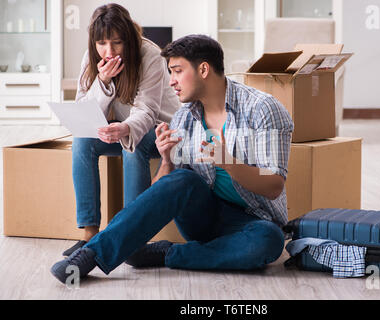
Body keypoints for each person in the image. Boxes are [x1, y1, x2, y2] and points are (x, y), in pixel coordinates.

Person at [51, 34, 294, 284]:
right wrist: (166, 160)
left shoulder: (263, 109)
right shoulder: (184, 117)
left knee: (269, 242)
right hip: (203, 218)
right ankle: (89, 254)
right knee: (182, 179)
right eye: (170, 72)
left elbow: (274, 184)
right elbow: (163, 194)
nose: (171, 82)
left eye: (177, 71)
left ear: (203, 69)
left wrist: (228, 162)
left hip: (253, 222)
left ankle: (167, 254)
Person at [63, 3, 180, 256]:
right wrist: (102, 82)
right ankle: (90, 235)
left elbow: (147, 111)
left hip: (159, 128)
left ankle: (131, 236)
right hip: (119, 127)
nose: (109, 51)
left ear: (128, 38)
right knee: (82, 140)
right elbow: (83, 110)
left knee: (131, 143)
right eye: (101, 43)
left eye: (117, 43)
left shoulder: (150, 54)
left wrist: (125, 127)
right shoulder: (91, 58)